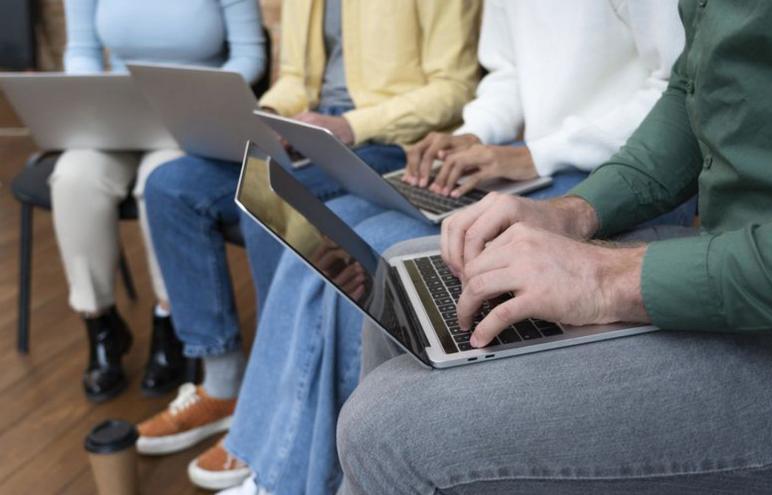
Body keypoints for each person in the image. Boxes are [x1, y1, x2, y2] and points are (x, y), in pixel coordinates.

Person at [335, 0, 772, 493]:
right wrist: (571, 214)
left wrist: (606, 278)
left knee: (390, 431)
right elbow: (693, 90)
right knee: (410, 277)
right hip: (737, 258)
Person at [213, 1, 695, 494]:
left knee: (381, 251)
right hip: (535, 163)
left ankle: (303, 479)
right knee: (339, 230)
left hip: (612, 174)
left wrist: (535, 153)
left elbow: (676, 92)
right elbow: (507, 73)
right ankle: (278, 467)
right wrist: (471, 135)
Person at [136, 0, 481, 489]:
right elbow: (296, 75)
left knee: (270, 205)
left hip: (382, 138)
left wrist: (350, 126)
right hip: (307, 131)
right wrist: (271, 114)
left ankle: (276, 405)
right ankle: (224, 387)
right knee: (170, 186)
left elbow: (453, 89)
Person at [51, 0, 265, 402]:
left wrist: (201, 98)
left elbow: (250, 56)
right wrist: (90, 93)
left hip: (189, 119)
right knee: (72, 180)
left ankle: (170, 319)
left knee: (161, 184)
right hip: (112, 114)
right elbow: (81, 49)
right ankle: (100, 324)